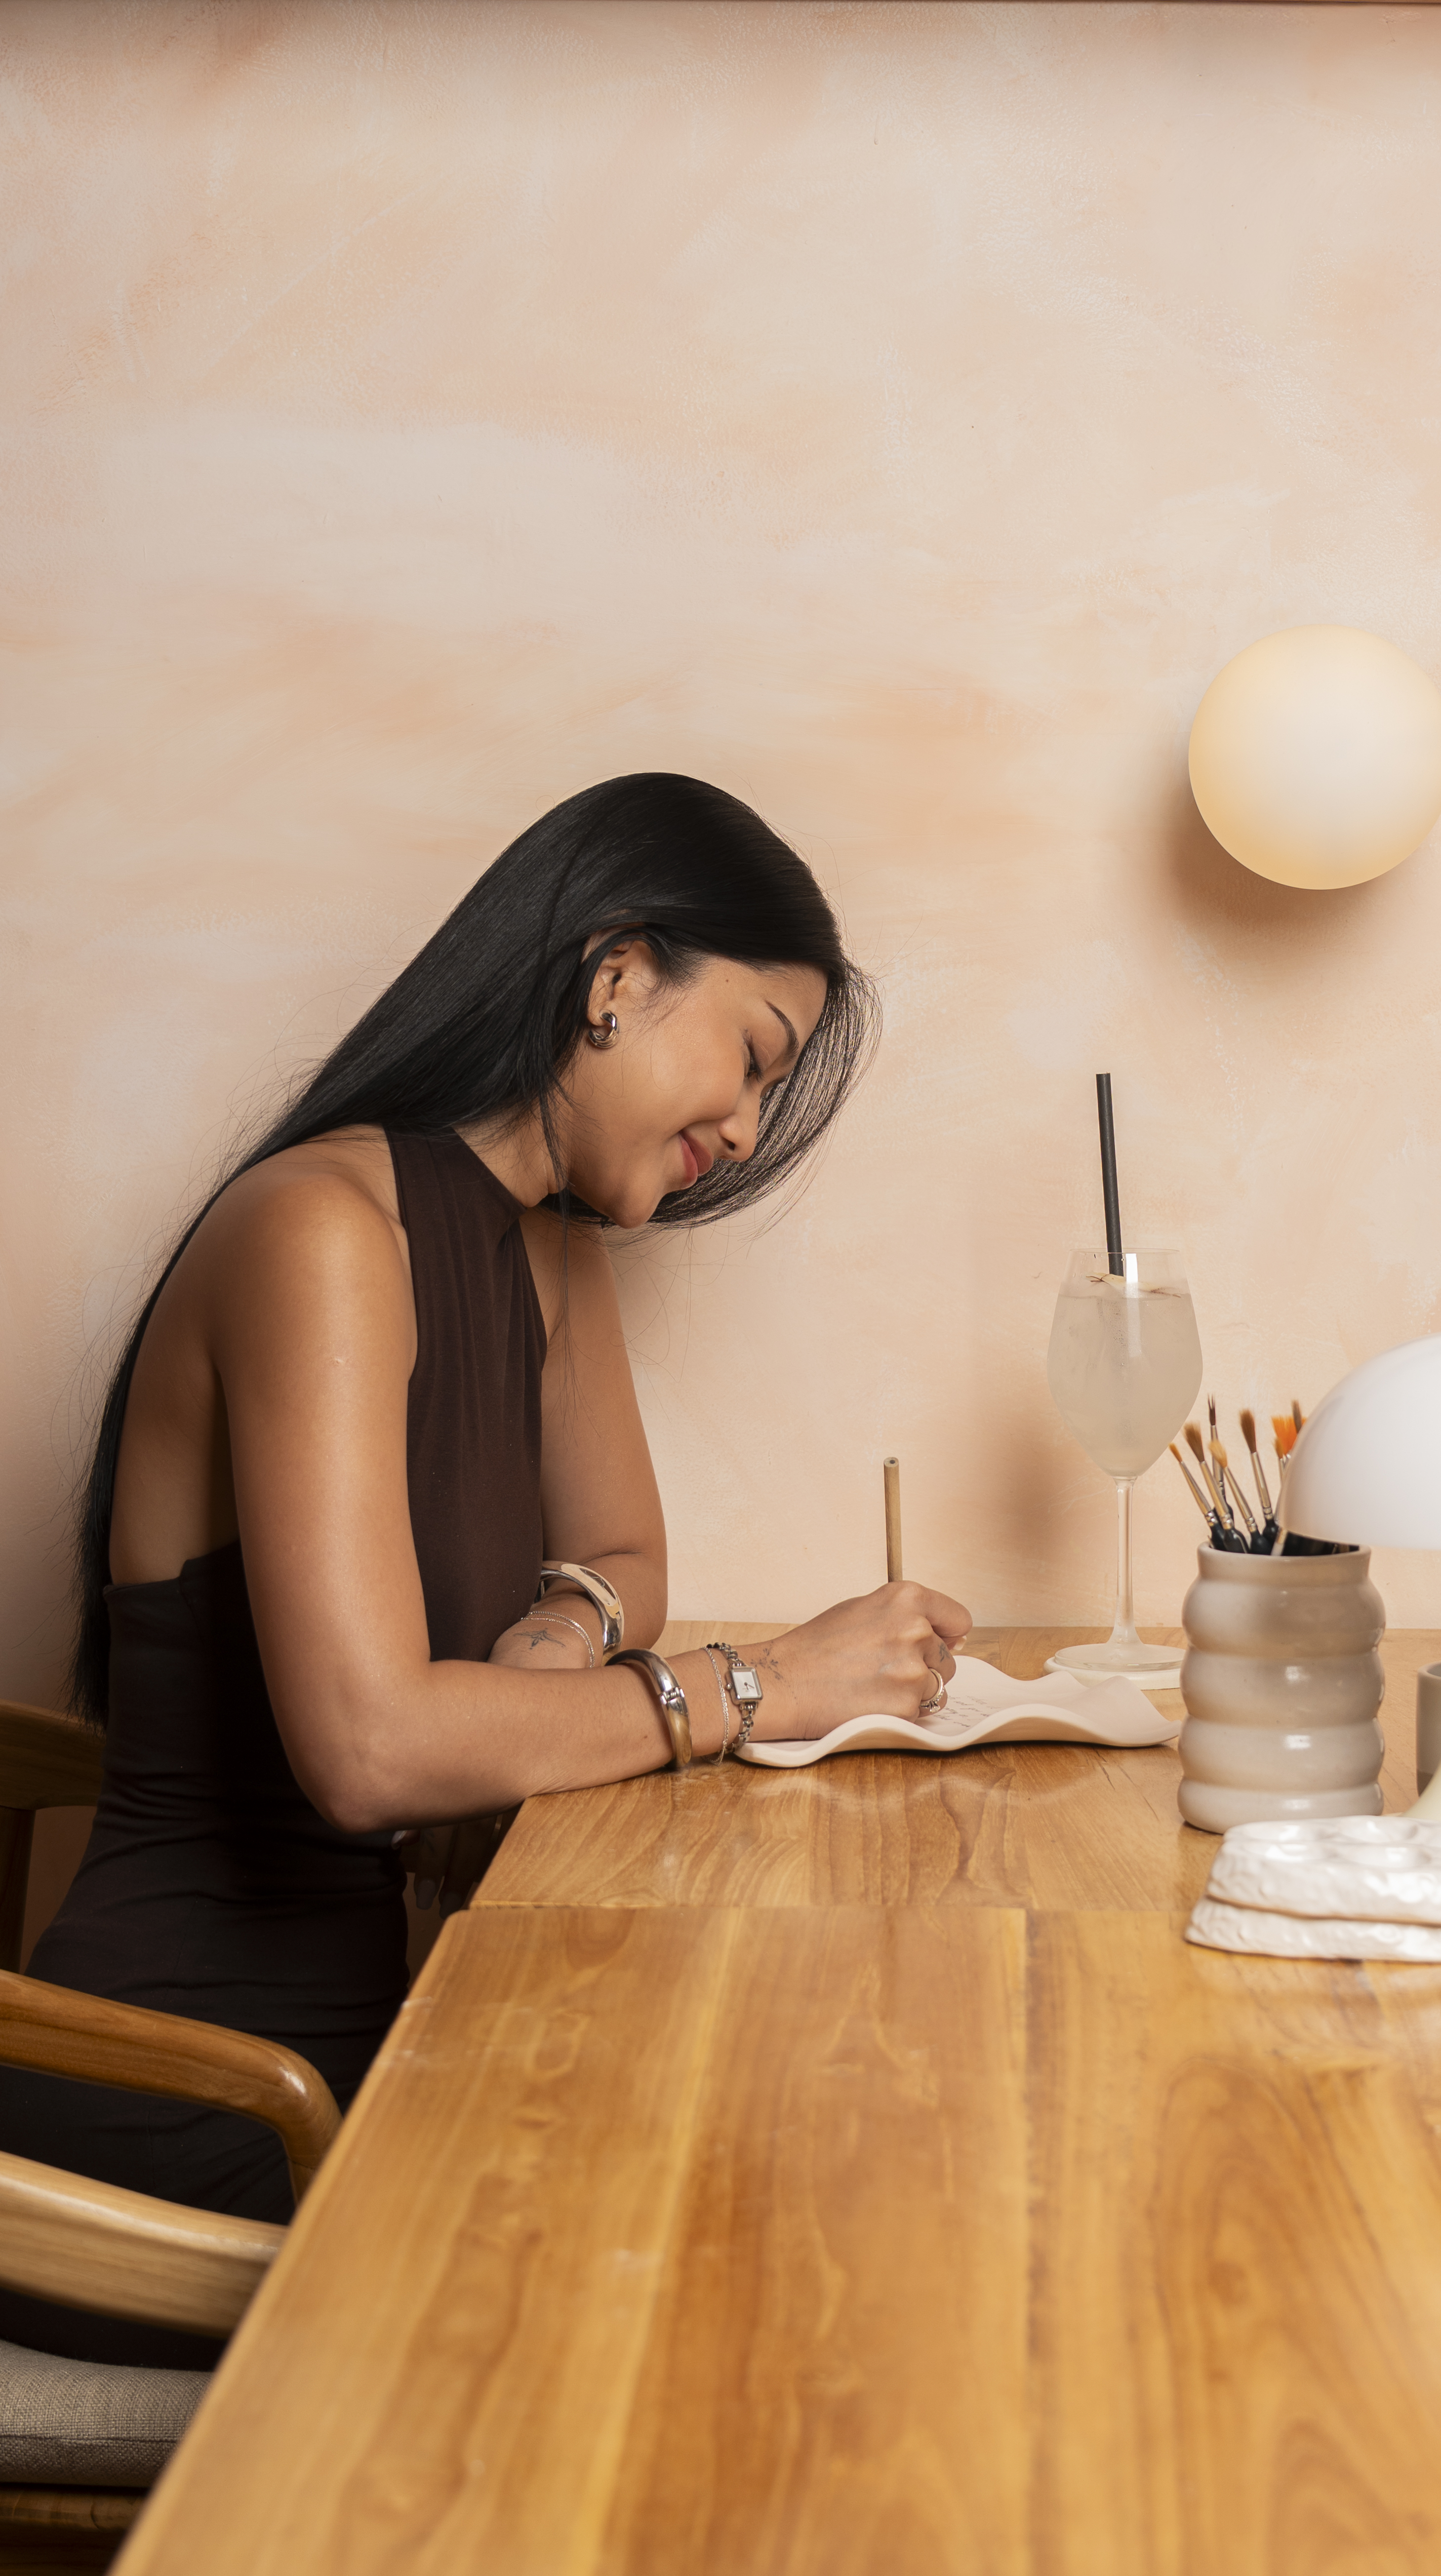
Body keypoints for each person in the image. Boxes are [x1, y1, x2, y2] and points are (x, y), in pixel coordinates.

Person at [0, 773, 970, 2364]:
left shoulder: (549, 1246)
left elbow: (626, 1552)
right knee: (684, 2303)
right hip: (194, 2104)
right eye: (749, 1059)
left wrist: (565, 1619)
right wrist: (758, 1685)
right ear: (614, 975)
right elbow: (374, 1749)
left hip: (378, 2048)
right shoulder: (321, 1232)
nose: (741, 1132)